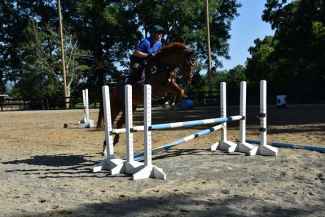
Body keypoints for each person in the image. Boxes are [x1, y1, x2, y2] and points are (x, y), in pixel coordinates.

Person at [120, 25, 164, 100]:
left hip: (147, 61)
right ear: (153, 34)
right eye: (158, 33)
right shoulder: (146, 42)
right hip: (137, 59)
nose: (160, 35)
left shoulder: (159, 43)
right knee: (135, 71)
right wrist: (148, 55)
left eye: (161, 33)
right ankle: (124, 93)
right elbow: (136, 52)